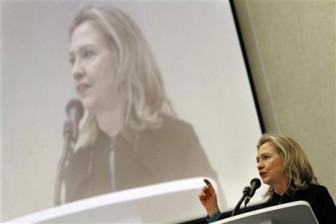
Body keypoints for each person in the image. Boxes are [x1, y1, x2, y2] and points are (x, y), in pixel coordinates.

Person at [55, 5, 217, 204]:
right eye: (72, 60)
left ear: (123, 57)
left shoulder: (177, 140)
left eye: (88, 54)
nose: (76, 70)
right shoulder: (77, 164)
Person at [199, 133, 336, 224]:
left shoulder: (317, 195)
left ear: (287, 158)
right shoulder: (268, 208)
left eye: (266, 157)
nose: (259, 165)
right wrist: (212, 209)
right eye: (257, 160)